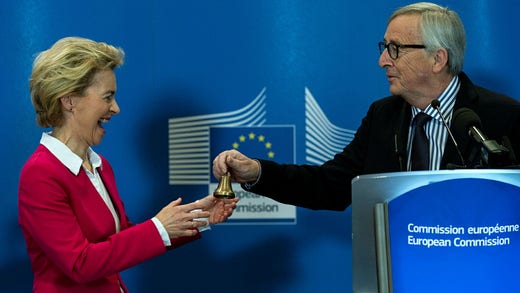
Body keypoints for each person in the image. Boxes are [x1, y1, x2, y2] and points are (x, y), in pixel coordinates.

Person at [212, 2, 520, 211]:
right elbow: (330, 185)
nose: (382, 60)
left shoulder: (501, 116)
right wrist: (256, 171)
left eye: (395, 49)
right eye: (384, 48)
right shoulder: (383, 116)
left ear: (438, 59)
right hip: (399, 271)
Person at [18, 36, 238, 292]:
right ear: (69, 100)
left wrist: (200, 217)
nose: (116, 108)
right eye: (107, 97)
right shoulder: (41, 174)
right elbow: (80, 264)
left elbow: (125, 240)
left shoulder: (100, 166)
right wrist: (159, 227)